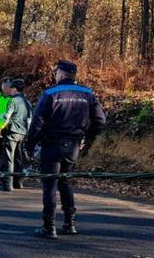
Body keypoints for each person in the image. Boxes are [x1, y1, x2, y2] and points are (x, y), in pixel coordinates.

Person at [25, 60, 106, 239]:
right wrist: (87, 137)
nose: (55, 75)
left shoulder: (50, 93)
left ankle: (49, 226)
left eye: (56, 72)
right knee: (66, 182)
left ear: (61, 74)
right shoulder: (88, 94)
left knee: (50, 185)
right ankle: (70, 223)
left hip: (52, 144)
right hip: (73, 145)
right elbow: (100, 121)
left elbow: (37, 123)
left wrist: (29, 146)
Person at [0, 78, 32, 192]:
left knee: (8, 158)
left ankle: (7, 184)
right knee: (18, 158)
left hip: (12, 132)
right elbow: (30, 118)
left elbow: (7, 116)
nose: (10, 90)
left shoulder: (12, 101)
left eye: (11, 88)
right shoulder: (27, 102)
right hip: (23, 133)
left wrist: (0, 128)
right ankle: (18, 182)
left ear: (15, 89)